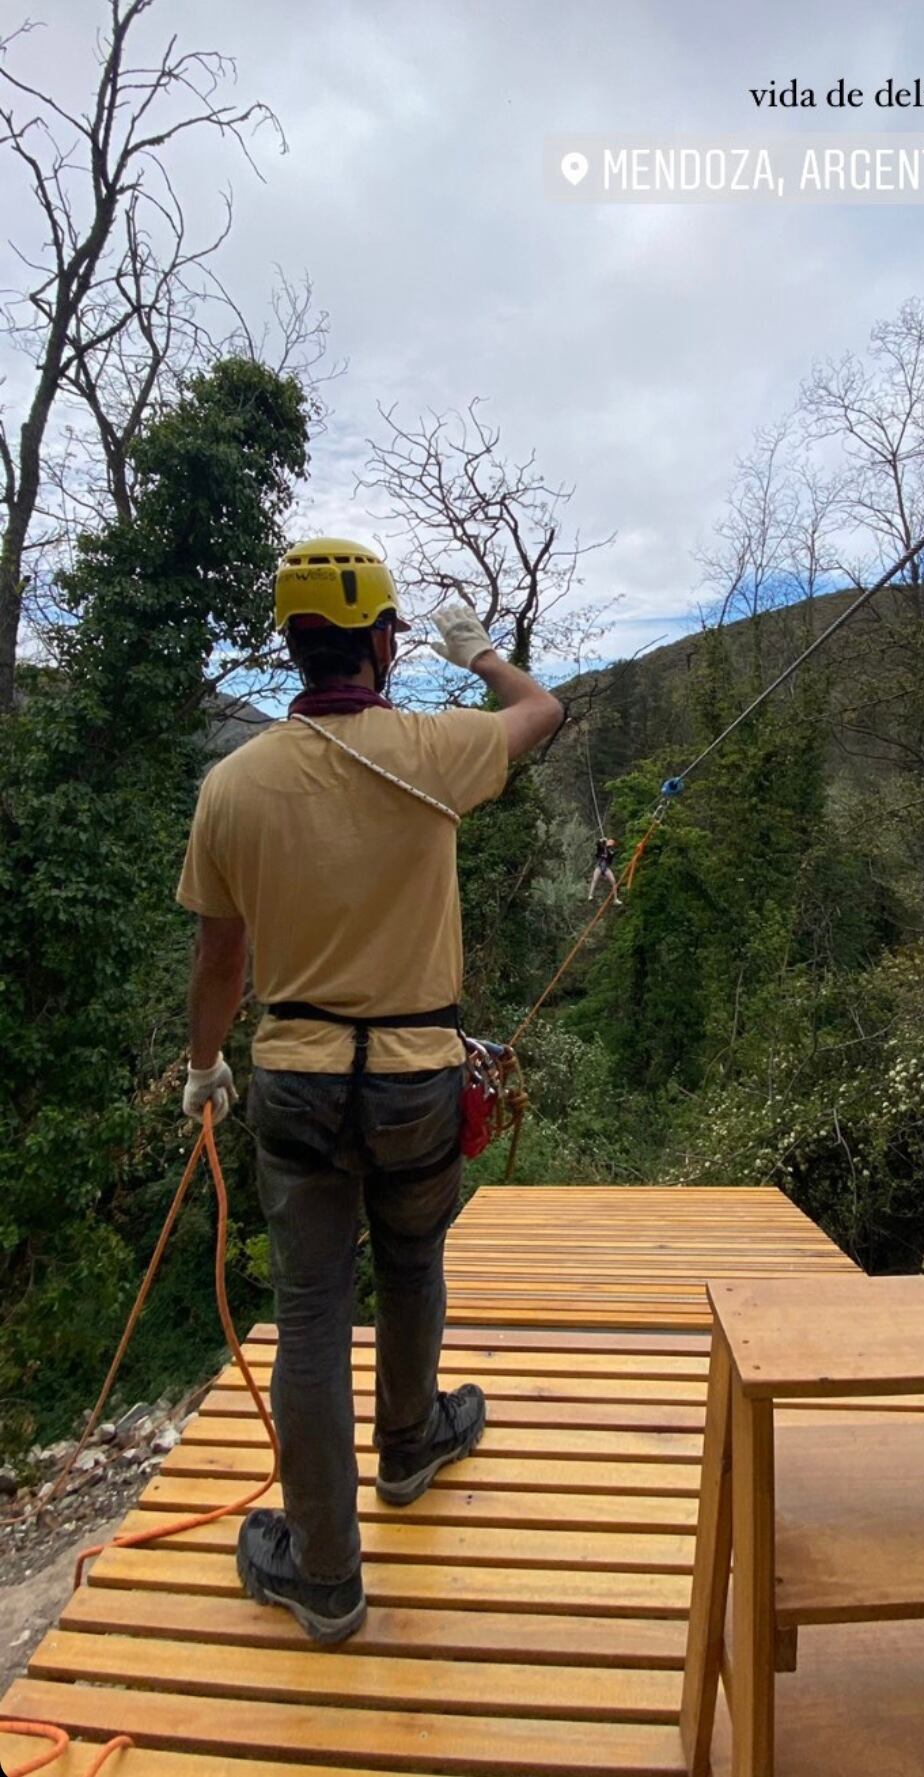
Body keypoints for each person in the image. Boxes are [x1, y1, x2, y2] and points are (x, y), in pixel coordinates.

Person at [175, 538, 563, 1646]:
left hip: (294, 1078)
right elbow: (545, 710)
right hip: (413, 1077)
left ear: (292, 644)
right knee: (412, 1261)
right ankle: (408, 1446)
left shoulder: (234, 784)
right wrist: (484, 652)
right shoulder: (434, 750)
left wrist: (206, 1067)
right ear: (384, 641)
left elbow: (220, 960)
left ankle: (327, 1577)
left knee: (307, 1312)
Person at [588, 834, 623, 906]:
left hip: (606, 867)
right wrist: (601, 841)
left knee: (613, 881)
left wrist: (609, 851)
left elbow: (610, 860)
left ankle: (615, 899)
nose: (610, 842)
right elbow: (598, 845)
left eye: (612, 842)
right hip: (599, 866)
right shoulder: (601, 847)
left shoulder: (611, 852)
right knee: (595, 879)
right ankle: (590, 895)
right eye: (610, 841)